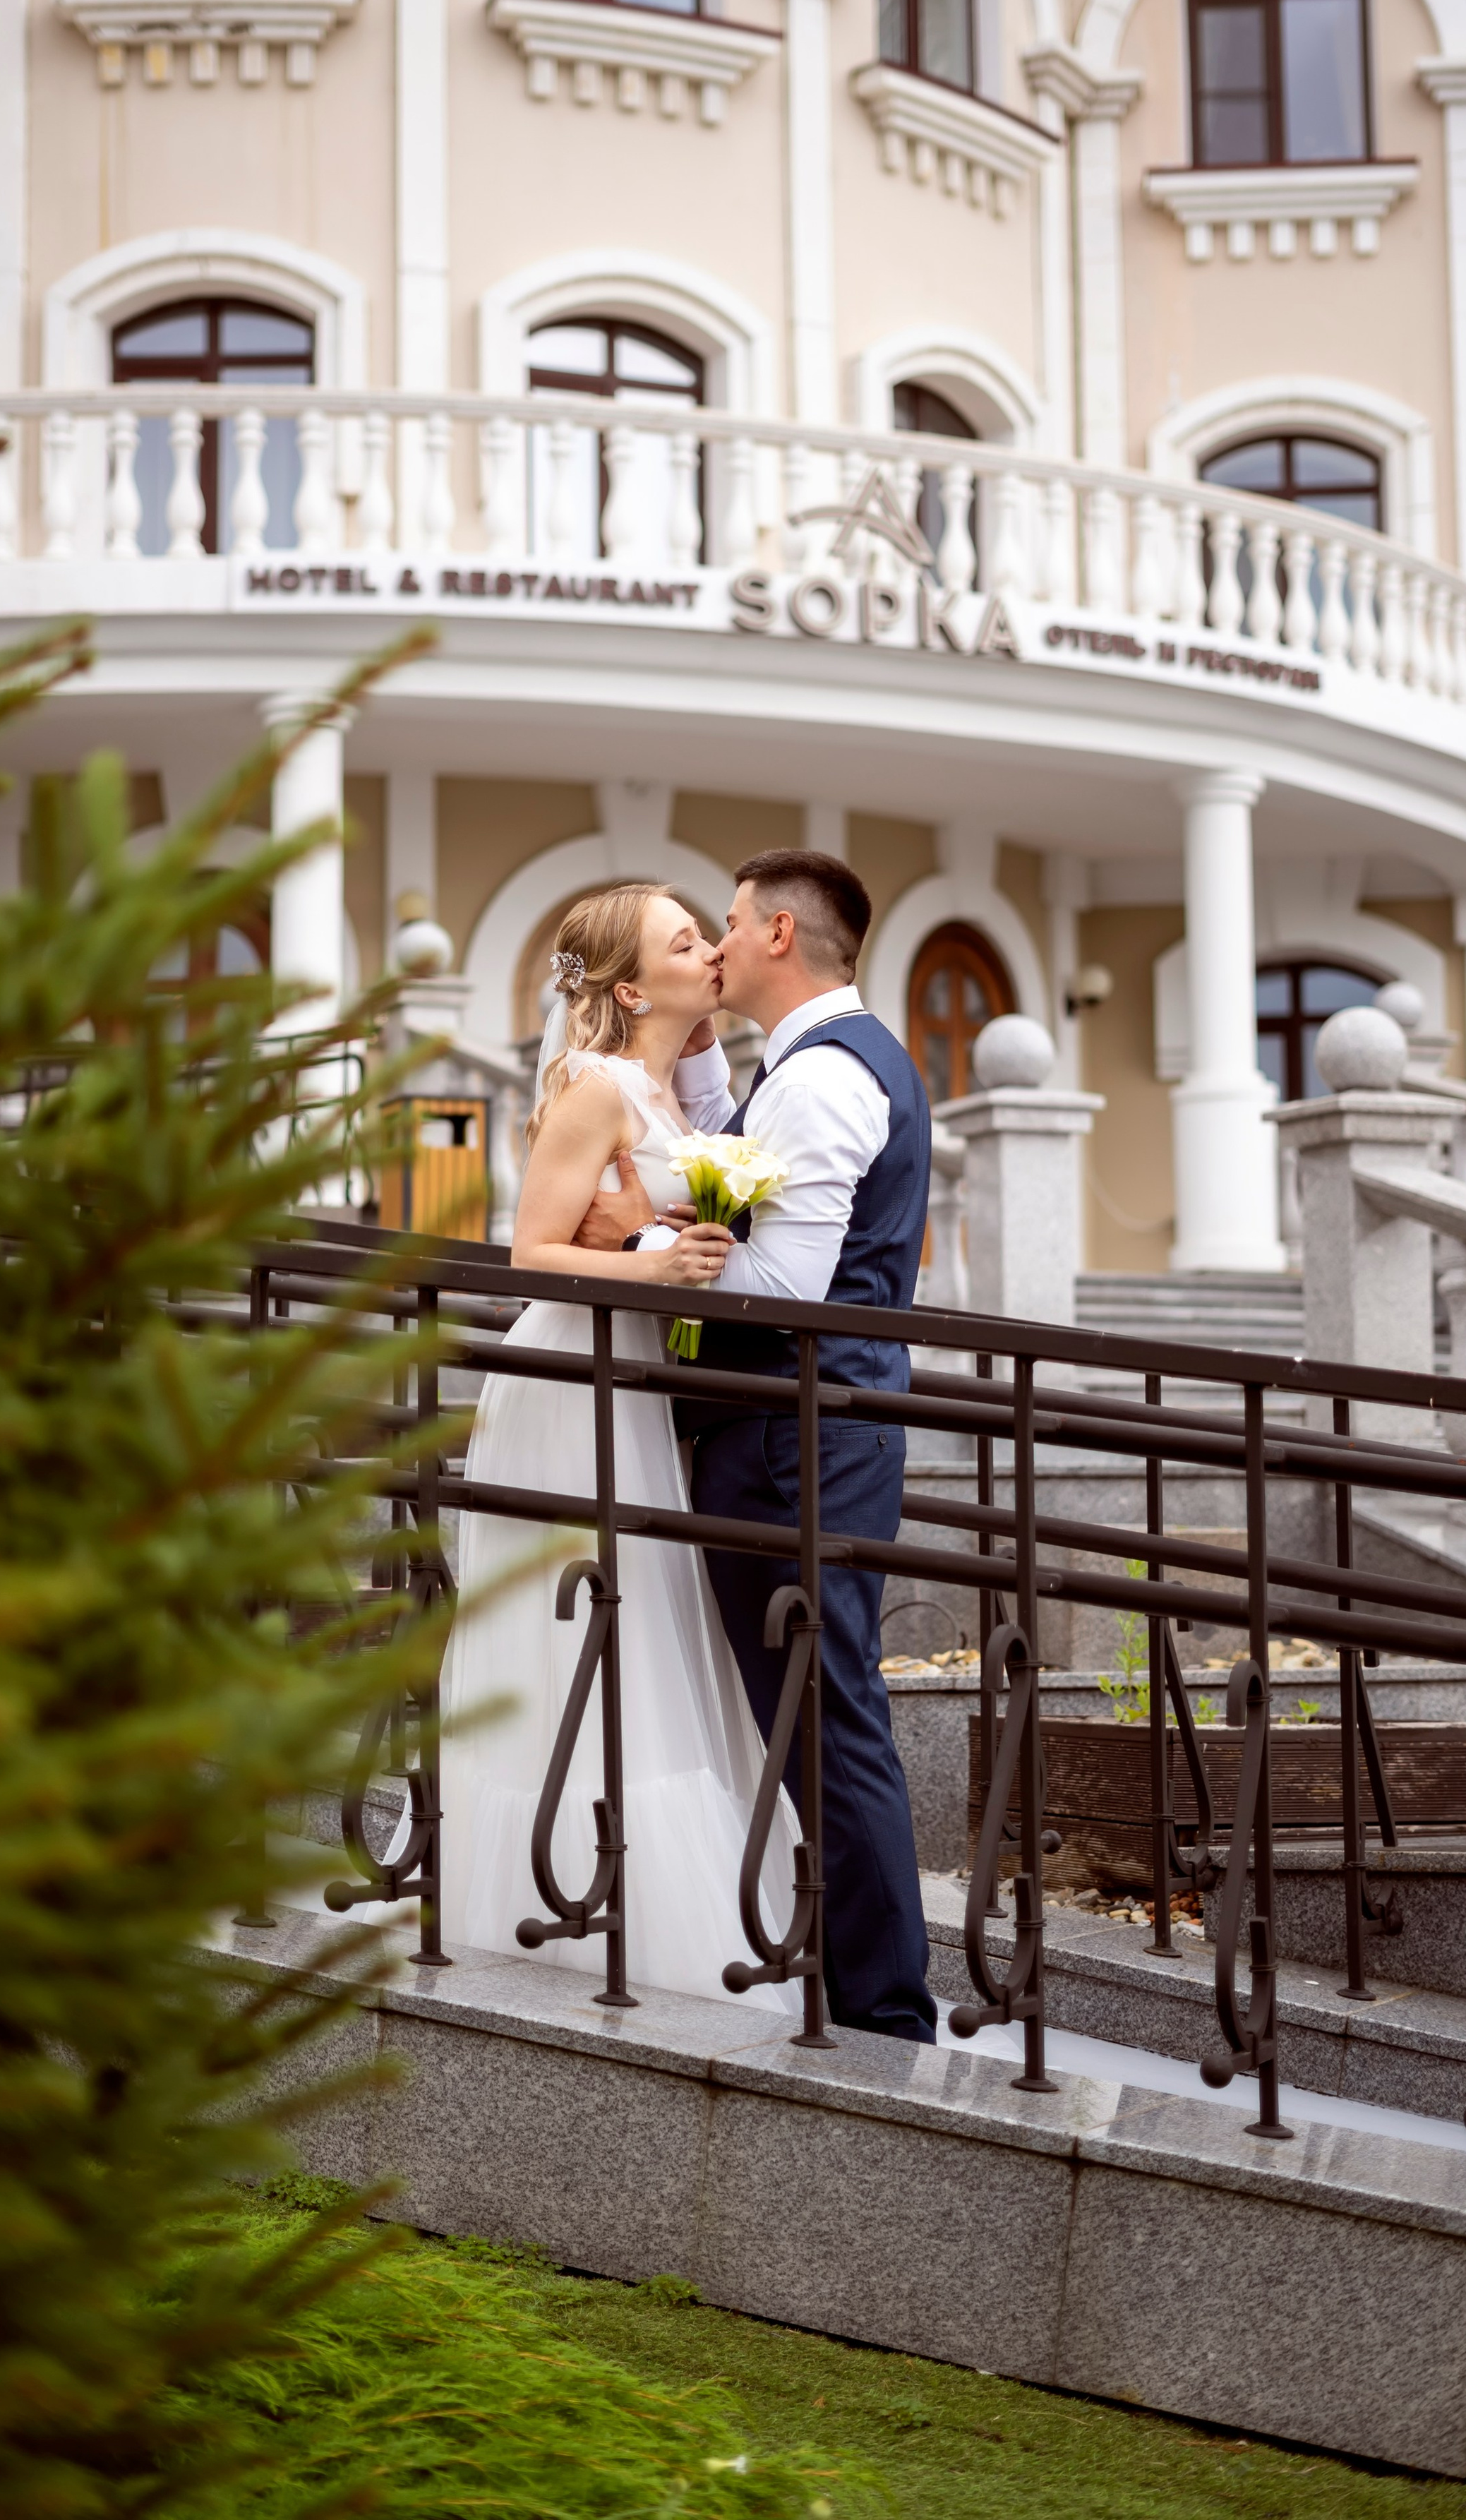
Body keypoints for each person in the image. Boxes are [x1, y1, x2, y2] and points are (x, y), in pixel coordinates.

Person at [575, 851, 938, 2046]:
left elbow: (782, 1284)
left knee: (827, 1712)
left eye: (727, 924)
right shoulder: (814, 1065)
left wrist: (646, 1233)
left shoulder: (828, 1079)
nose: (716, 945)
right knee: (816, 1710)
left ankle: (884, 2007)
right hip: (819, 1429)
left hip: (797, 1434)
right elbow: (747, 1170)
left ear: (779, 933)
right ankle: (846, 1975)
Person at [431, 880, 802, 2015]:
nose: (711, 951)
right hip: (567, 1381)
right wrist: (654, 1268)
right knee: (581, 1623)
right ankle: (544, 1900)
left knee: (638, 1621)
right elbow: (528, 1252)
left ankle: (619, 1891)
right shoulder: (593, 1086)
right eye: (686, 942)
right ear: (634, 986)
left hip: (635, 1383)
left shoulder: (678, 1093)